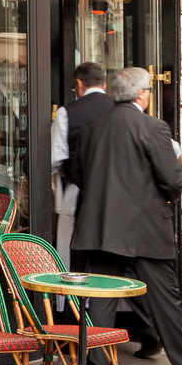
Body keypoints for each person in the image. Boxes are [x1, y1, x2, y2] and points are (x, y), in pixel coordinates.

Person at [72, 67, 182, 365]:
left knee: (102, 297)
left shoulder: (91, 128)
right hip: (144, 228)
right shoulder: (153, 128)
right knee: (165, 299)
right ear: (142, 94)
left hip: (101, 226)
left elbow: (77, 174)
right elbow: (171, 182)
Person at [51, 61, 113, 267]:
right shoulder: (123, 110)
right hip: (118, 198)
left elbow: (54, 158)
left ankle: (70, 300)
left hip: (79, 194)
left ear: (79, 84)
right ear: (104, 85)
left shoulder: (67, 112)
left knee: (70, 256)